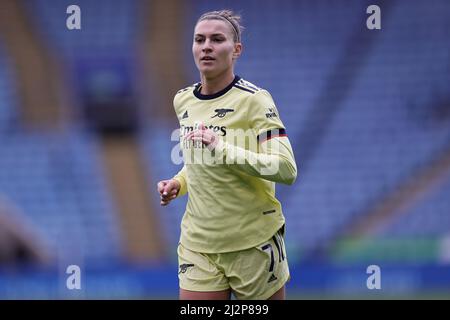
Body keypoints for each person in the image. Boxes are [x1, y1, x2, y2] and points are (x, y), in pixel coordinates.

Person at [157, 9, 297, 300]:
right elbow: (197, 162)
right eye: (199, 39)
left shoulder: (255, 100)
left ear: (236, 50)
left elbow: (286, 169)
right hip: (199, 244)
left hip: (253, 243)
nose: (206, 45)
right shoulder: (182, 100)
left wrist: (221, 148)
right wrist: (178, 184)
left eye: (216, 39)